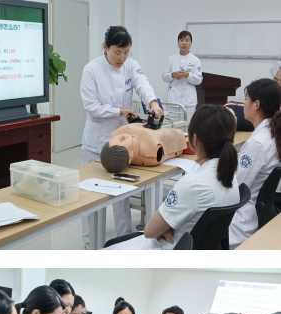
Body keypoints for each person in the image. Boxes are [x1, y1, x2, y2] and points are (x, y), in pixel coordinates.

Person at [107, 104, 241, 249]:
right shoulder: (231, 176)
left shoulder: (192, 184)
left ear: (195, 140)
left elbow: (150, 231)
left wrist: (167, 225)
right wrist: (169, 224)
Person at [80, 25, 163, 247]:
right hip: (97, 140)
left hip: (123, 141)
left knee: (121, 192)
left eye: (126, 52)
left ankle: (123, 240)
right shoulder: (91, 69)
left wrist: (153, 103)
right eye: (118, 52)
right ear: (105, 48)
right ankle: (89, 241)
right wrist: (119, 111)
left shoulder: (130, 65)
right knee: (90, 194)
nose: (122, 58)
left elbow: (143, 85)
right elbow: (91, 106)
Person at [229, 79, 281, 248]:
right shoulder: (272, 132)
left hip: (242, 222)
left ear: (256, 104)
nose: (243, 104)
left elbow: (237, 187)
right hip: (257, 213)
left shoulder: (257, 143)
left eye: (245, 99)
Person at [162, 30, 203, 123]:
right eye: (181, 40)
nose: (184, 43)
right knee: (172, 125)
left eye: (187, 40)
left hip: (188, 101)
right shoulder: (171, 59)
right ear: (178, 42)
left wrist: (187, 75)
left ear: (191, 42)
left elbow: (198, 79)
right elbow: (164, 76)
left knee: (187, 126)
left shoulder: (195, 60)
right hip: (173, 100)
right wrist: (172, 75)